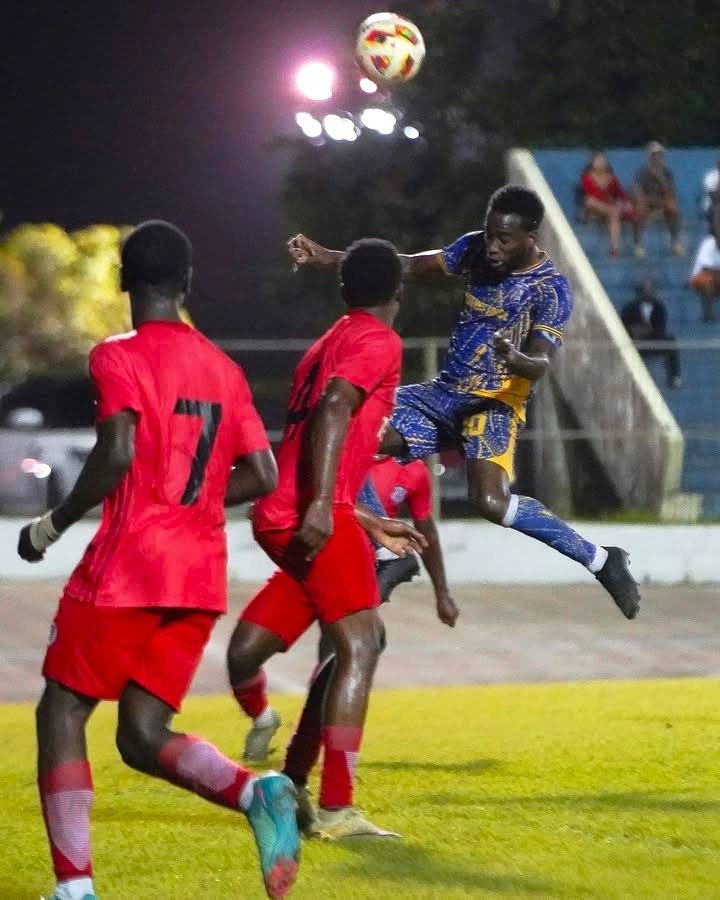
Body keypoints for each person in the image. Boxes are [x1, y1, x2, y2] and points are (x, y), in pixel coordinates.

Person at [17, 221, 300, 900]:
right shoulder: (224, 370)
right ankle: (254, 791)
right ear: (187, 283)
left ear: (122, 280)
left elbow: (114, 455)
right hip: (197, 576)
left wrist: (52, 524)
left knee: (60, 711)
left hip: (129, 567)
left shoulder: (118, 355)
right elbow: (262, 473)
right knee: (142, 736)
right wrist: (195, 503)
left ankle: (75, 887)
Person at [288, 184, 641, 621]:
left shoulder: (550, 290)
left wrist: (518, 359)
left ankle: (603, 560)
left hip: (492, 405)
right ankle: (387, 556)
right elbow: (409, 267)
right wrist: (328, 258)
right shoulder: (474, 249)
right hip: (443, 393)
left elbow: (541, 362)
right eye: (489, 234)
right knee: (345, 430)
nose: (492, 246)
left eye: (503, 240)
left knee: (490, 503)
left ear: (531, 237)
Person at [226, 238, 426, 841]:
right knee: (364, 643)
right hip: (308, 515)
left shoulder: (328, 340)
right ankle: (338, 808)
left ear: (344, 290)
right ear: (398, 290)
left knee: (342, 645)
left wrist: (362, 519)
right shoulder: (378, 340)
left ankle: (291, 783)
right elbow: (336, 408)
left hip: (293, 512)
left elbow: (321, 435)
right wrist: (324, 508)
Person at [240, 455, 458, 764]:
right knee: (242, 657)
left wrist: (443, 592)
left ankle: (320, 764)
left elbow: (427, 532)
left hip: (373, 563)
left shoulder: (413, 471)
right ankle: (264, 721)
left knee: (341, 650)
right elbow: (313, 491)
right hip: (311, 561)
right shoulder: (339, 446)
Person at [621, 279, 682, 388]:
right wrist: (636, 331)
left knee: (670, 341)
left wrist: (645, 330)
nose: (649, 292)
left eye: (651, 289)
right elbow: (624, 326)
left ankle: (674, 377)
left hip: (653, 340)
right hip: (635, 342)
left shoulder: (659, 308)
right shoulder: (629, 308)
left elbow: (660, 328)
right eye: (646, 290)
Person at [579, 151, 637, 256]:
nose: (600, 162)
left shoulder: (611, 178)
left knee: (615, 214)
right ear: (592, 163)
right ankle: (612, 210)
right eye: (598, 160)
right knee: (590, 201)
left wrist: (625, 203)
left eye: (602, 160)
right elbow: (587, 194)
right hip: (593, 208)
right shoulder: (586, 177)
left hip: (609, 207)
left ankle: (614, 249)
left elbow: (622, 194)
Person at [633, 141, 683, 258]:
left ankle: (675, 242)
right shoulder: (642, 172)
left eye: (660, 155)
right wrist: (648, 201)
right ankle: (638, 245)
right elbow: (638, 193)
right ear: (650, 157)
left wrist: (661, 178)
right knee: (641, 208)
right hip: (648, 202)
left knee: (673, 206)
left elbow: (671, 193)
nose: (657, 158)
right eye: (654, 155)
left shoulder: (667, 173)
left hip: (662, 202)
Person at [689, 228, 720, 322]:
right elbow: (706, 268)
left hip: (717, 275)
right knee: (708, 281)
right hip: (700, 276)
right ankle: (708, 314)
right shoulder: (708, 243)